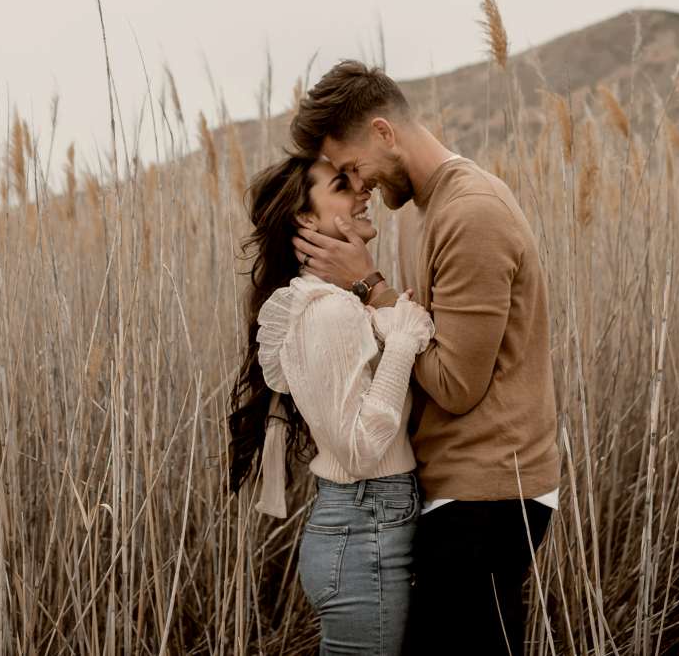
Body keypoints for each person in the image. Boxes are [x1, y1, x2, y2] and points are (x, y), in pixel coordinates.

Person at [289, 60, 561, 655]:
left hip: (487, 494)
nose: (357, 186)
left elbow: (458, 384)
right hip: (457, 491)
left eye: (354, 167)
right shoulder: (421, 210)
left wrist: (370, 288)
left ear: (385, 132)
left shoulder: (471, 213)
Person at [228, 153, 435, 655]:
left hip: (366, 528)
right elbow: (361, 450)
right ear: (305, 217)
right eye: (343, 186)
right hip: (365, 530)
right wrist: (402, 343)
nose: (363, 191)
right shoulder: (326, 313)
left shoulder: (338, 304)